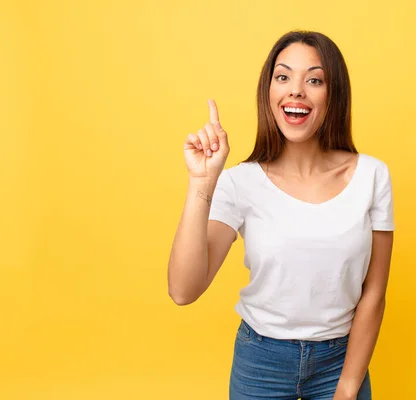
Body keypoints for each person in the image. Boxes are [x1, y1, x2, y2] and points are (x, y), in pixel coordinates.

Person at [168, 31, 395, 400]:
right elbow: (182, 290)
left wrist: (348, 386)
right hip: (261, 363)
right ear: (269, 92)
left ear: (333, 95)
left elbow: (374, 293)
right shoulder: (240, 182)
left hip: (342, 361)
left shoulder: (372, 176)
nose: (296, 91)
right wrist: (202, 181)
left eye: (315, 80)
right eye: (283, 76)